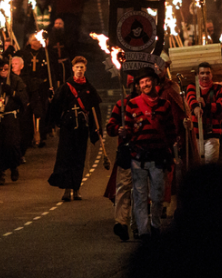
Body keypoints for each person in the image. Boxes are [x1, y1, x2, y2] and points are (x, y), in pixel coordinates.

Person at [122, 68, 177, 238]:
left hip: (158, 157)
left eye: (147, 81)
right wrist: (124, 133)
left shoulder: (164, 105)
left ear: (154, 82)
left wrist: (169, 149)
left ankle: (155, 224)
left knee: (157, 194)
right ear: (138, 86)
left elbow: (171, 131)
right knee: (139, 195)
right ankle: (145, 231)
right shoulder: (131, 104)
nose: (145, 84)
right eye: (141, 82)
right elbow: (129, 129)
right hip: (138, 157)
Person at [48, 56, 102, 201]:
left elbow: (95, 111)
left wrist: (97, 130)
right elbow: (55, 107)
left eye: (82, 67)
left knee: (79, 159)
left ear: (85, 69)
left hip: (82, 128)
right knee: (66, 158)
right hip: (68, 128)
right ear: (73, 69)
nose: (79, 70)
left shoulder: (89, 88)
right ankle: (66, 190)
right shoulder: (65, 87)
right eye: (77, 67)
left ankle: (77, 189)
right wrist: (55, 123)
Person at [105, 75, 136, 241]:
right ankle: (121, 222)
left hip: (146, 151)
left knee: (142, 190)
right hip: (126, 151)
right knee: (123, 187)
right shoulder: (121, 105)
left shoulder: (155, 102)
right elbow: (110, 127)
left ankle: (139, 224)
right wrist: (119, 129)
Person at [0, 59, 27, 185]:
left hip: (10, 116)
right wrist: (0, 57)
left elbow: (24, 99)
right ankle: (0, 173)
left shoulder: (16, 80)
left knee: (11, 144)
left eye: (6, 69)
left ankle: (14, 166)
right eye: (0, 69)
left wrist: (12, 92)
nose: (3, 72)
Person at [184, 62, 222, 164]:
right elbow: (191, 99)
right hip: (196, 134)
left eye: (207, 73)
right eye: (202, 73)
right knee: (197, 164)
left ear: (211, 74)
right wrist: (196, 108)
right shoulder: (192, 86)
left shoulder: (218, 88)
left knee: (210, 166)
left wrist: (206, 105)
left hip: (212, 133)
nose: (205, 76)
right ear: (198, 75)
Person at [21, 33, 53, 147]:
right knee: (30, 110)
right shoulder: (24, 54)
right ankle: (31, 135)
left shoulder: (44, 54)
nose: (37, 42)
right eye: (34, 40)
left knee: (42, 109)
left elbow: (49, 70)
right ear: (30, 42)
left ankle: (41, 134)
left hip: (42, 85)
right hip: (29, 86)